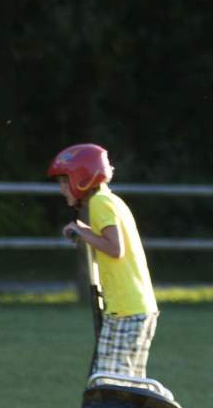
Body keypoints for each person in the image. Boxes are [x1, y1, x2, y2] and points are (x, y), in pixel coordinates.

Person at [48, 142, 159, 381]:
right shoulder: (109, 201)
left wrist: (82, 232)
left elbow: (115, 248)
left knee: (111, 383)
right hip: (132, 306)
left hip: (126, 310)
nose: (61, 189)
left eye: (63, 181)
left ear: (81, 178)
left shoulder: (100, 202)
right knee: (126, 384)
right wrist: (84, 231)